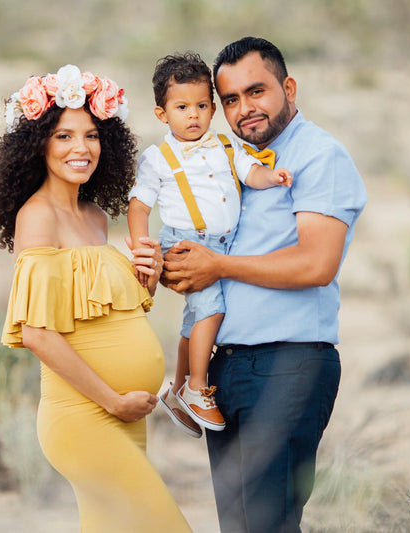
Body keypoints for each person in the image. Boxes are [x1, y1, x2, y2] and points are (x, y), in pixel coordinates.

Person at [163, 37, 368, 533]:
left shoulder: (319, 155)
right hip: (224, 371)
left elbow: (316, 264)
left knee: (267, 525)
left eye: (256, 91)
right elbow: (208, 270)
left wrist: (217, 266)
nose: (243, 109)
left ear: (288, 87)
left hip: (288, 364)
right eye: (230, 99)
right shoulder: (228, 161)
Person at [0, 65, 192, 533]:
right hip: (86, 417)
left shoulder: (94, 217)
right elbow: (37, 332)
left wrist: (147, 277)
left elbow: (108, 315)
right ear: (37, 144)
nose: (81, 148)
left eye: (92, 135)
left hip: (126, 416)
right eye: (64, 136)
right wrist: (113, 401)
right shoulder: (36, 218)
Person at [127, 52, 292, 436]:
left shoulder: (224, 145)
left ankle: (178, 386)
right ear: (161, 114)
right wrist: (143, 252)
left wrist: (272, 176)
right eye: (182, 107)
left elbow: (249, 172)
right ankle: (199, 387)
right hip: (185, 243)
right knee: (211, 312)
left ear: (213, 108)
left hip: (222, 244)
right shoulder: (158, 159)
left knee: (195, 318)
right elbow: (138, 206)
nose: (193, 115)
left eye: (202, 105)